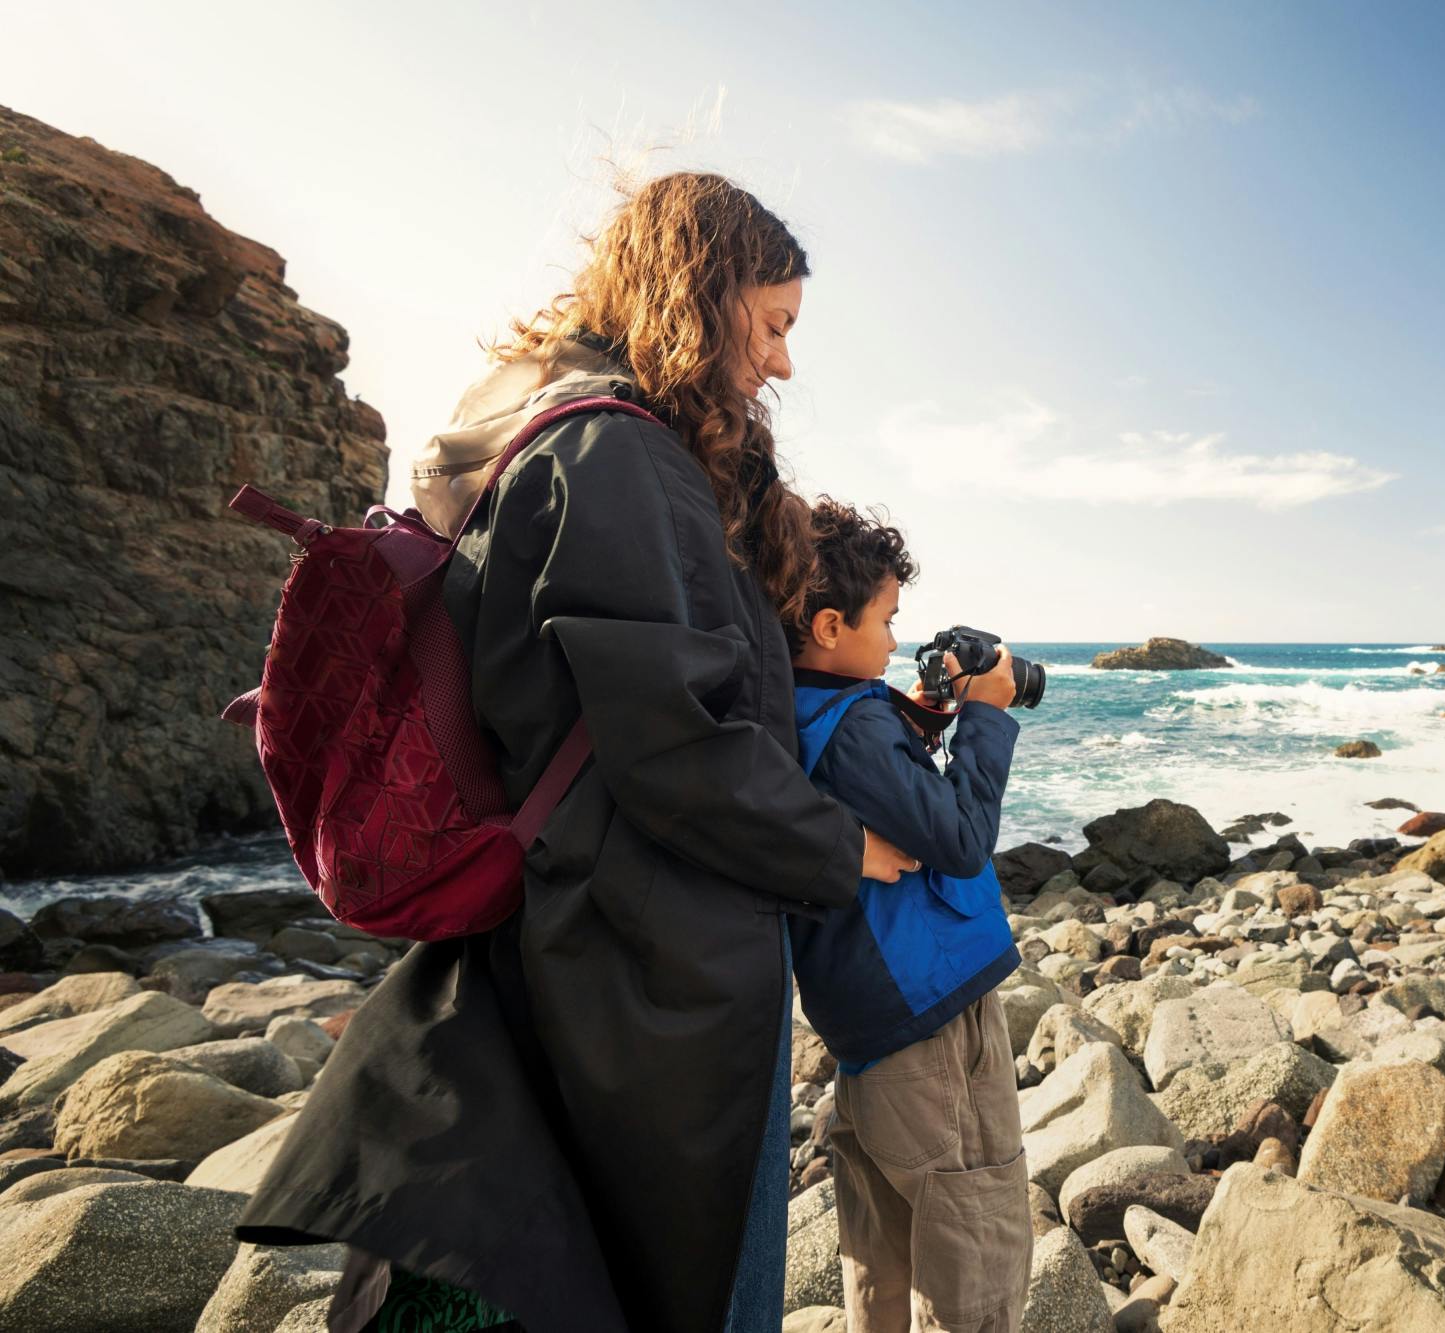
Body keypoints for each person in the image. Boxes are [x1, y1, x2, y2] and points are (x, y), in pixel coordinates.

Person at [236, 172, 920, 1332]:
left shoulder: (568, 433)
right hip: (641, 960)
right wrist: (841, 843)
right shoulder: (619, 457)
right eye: (772, 325)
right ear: (701, 300)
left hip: (583, 933)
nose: (783, 364)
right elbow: (675, 748)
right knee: (685, 1282)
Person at [787, 500, 1032, 1333]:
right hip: (927, 1009)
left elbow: (883, 782)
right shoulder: (853, 725)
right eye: (886, 621)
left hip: (866, 1019)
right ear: (828, 624)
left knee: (883, 1251)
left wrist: (924, 710)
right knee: (975, 1232)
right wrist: (988, 713)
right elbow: (959, 837)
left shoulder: (798, 706)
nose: (895, 640)